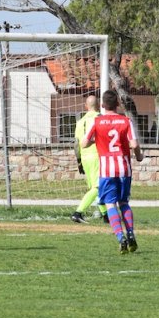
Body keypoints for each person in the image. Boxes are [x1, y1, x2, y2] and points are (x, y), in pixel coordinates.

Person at [80, 90, 143, 254]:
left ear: (102, 105)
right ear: (117, 104)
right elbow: (134, 144)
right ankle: (130, 234)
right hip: (123, 168)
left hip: (106, 170)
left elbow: (84, 143)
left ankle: (120, 237)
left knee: (110, 204)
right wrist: (139, 156)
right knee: (124, 203)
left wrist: (97, 140)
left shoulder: (97, 121)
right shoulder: (125, 121)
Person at [71, 95, 108, 224]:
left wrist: (79, 161)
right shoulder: (101, 119)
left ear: (86, 106)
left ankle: (105, 215)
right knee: (98, 187)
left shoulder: (80, 121)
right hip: (97, 156)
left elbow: (76, 144)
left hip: (85, 158)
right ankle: (78, 213)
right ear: (99, 105)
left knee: (95, 187)